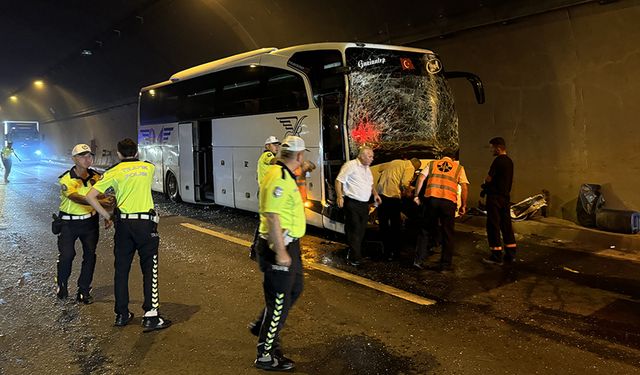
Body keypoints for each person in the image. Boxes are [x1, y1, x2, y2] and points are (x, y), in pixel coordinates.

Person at [85, 138, 171, 332]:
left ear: (118, 153)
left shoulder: (113, 171)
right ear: (137, 152)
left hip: (123, 225)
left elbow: (90, 196)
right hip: (145, 224)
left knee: (121, 270)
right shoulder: (147, 167)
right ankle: (151, 315)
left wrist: (107, 215)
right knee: (150, 268)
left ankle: (121, 314)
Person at [253, 135, 307, 371]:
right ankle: (266, 354)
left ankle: (262, 325)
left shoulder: (284, 172)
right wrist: (282, 252)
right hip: (278, 246)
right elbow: (272, 216)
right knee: (279, 301)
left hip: (289, 244)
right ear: (299, 155)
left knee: (295, 289)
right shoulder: (278, 177)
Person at [55, 144, 114, 303]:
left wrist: (106, 215)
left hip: (90, 223)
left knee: (90, 255)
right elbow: (76, 198)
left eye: (89, 156)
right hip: (68, 223)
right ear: (74, 159)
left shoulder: (96, 177)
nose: (87, 159)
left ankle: (84, 289)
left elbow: (105, 196)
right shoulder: (67, 178)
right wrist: (100, 200)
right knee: (67, 255)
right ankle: (62, 283)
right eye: (82, 156)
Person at [413, 151, 469, 272]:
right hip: (448, 203)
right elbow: (464, 187)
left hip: (431, 200)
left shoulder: (432, 164)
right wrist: (463, 205)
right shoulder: (458, 167)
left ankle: (419, 260)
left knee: (425, 230)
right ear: (453, 158)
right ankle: (445, 265)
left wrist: (416, 195)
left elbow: (421, 178)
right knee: (447, 233)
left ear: (441, 156)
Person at [335, 146, 381, 266]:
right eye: (370, 156)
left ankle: (353, 252)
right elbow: (339, 180)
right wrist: (339, 196)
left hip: (364, 204)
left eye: (372, 156)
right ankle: (356, 258)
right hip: (352, 202)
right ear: (362, 156)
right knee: (354, 229)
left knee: (361, 230)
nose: (372, 159)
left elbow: (370, 184)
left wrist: (375, 194)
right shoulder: (350, 165)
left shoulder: (367, 169)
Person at [375, 158, 421, 260]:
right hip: (392, 197)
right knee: (395, 225)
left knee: (384, 225)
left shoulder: (395, 161)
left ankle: (386, 252)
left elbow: (380, 169)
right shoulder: (410, 167)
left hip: (381, 194)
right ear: (415, 166)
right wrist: (409, 192)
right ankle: (395, 252)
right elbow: (404, 183)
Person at [481, 137, 517, 265]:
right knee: (506, 225)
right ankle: (511, 252)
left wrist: (485, 185)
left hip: (494, 197)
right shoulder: (509, 162)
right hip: (505, 198)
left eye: (492, 147)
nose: (491, 150)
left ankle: (496, 255)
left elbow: (489, 178)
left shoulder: (497, 161)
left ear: (498, 147)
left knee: (493, 225)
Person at [250, 136, 281, 260]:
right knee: (266, 222)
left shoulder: (270, 157)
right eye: (274, 144)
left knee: (269, 222)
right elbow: (274, 161)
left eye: (278, 144)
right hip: (266, 193)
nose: (277, 147)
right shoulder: (267, 155)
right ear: (267, 146)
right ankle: (256, 250)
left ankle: (261, 250)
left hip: (269, 193)